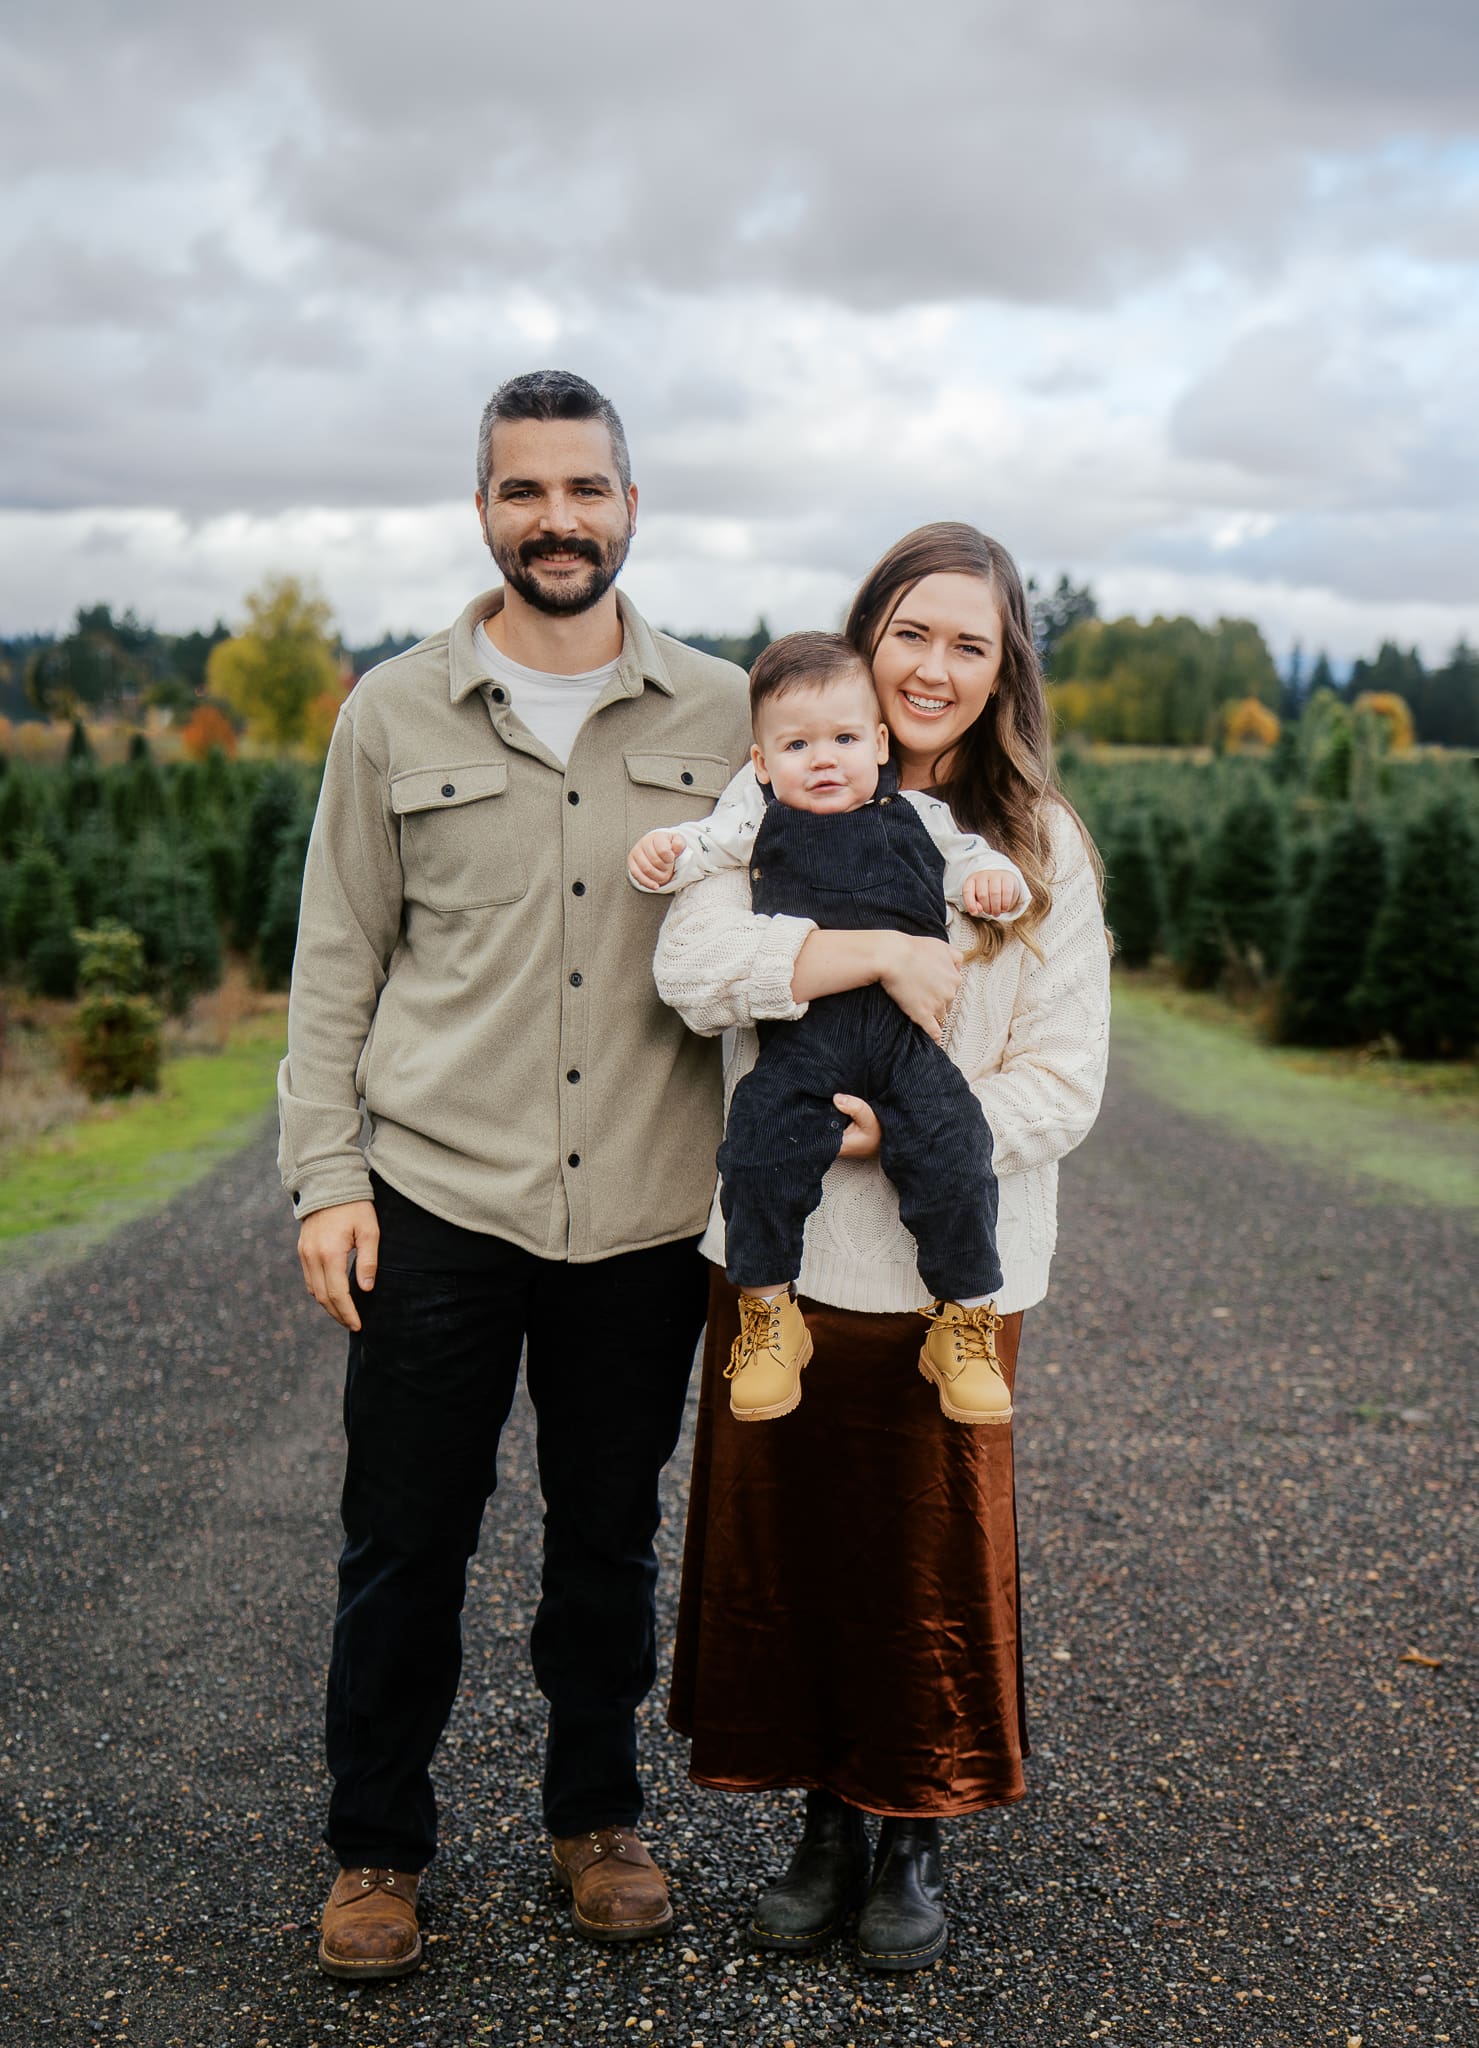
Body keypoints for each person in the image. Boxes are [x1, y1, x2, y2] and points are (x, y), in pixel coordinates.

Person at [278, 370, 750, 1979]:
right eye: (523, 490)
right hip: (439, 1199)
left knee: (608, 1533)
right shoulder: (390, 712)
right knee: (403, 1539)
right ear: (481, 507)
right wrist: (325, 1178)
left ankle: (595, 1818)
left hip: (642, 1206)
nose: (556, 518)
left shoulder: (728, 713)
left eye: (584, 489)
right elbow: (334, 963)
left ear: (632, 503)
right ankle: (374, 1850)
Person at [655, 522, 1111, 1972]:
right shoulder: (777, 784)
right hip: (782, 1269)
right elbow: (691, 967)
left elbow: (1063, 1081)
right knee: (787, 1550)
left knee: (921, 1564)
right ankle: (818, 1824)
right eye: (908, 633)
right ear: (865, 641)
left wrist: (905, 1127)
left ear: (1000, 670)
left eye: (964, 644)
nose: (930, 667)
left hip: (939, 1280)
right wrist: (872, 956)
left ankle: (909, 1828)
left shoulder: (1034, 848)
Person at [628, 629, 1029, 1425]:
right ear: (760, 761)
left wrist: (994, 883)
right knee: (755, 1148)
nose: (823, 759)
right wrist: (661, 848)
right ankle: (770, 1315)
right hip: (803, 1042)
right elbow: (694, 853)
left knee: (955, 1146)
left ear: (878, 744)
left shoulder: (919, 816)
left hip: (904, 1042)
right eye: (796, 744)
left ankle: (962, 1318)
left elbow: (989, 867)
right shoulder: (757, 826)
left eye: (844, 739)